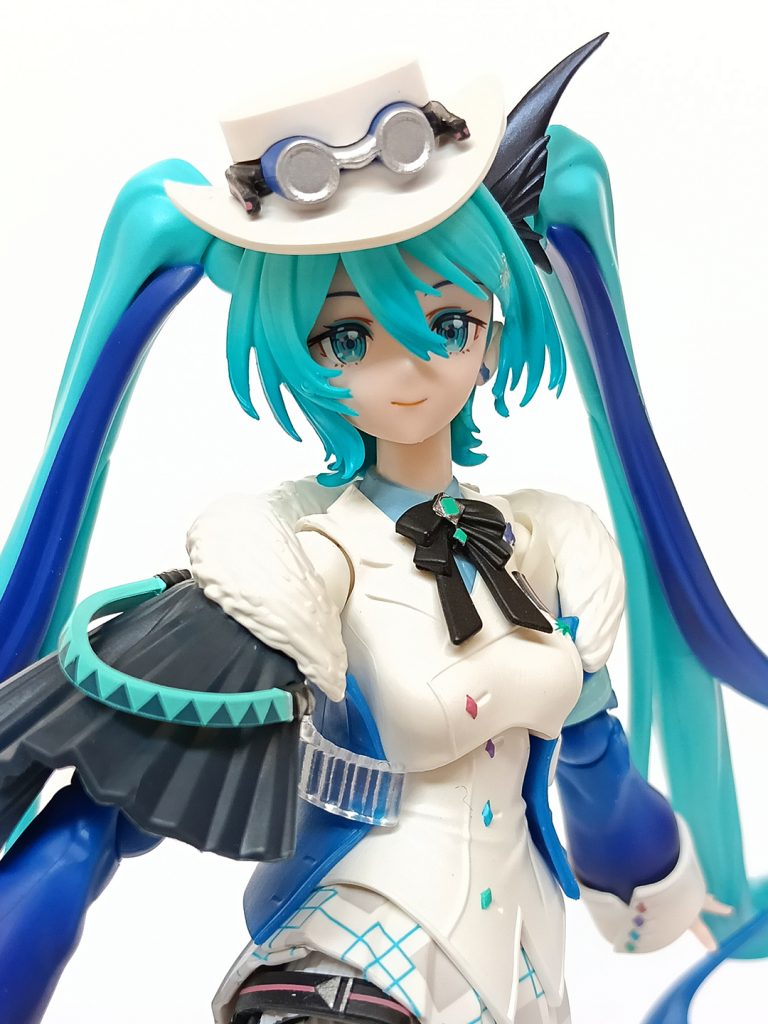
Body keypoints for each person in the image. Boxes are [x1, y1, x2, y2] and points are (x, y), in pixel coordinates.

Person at [0, 36, 764, 1024]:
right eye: (348, 337)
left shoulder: (543, 545)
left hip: (519, 966)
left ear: (490, 330)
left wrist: (661, 883)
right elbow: (113, 804)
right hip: (357, 950)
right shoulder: (298, 562)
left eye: (445, 325)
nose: (407, 368)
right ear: (302, 355)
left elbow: (594, 764)